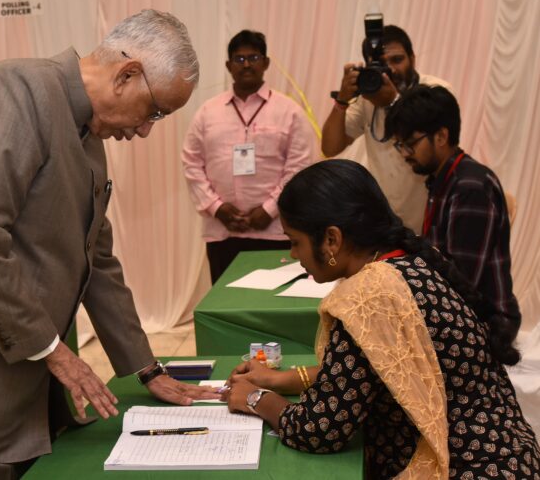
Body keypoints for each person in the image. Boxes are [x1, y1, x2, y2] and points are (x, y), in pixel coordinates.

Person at [0, 9, 218, 479]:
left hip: (16, 372)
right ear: (126, 74)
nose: (146, 129)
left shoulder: (88, 134)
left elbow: (97, 258)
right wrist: (56, 351)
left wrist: (146, 368)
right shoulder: (17, 90)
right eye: (154, 110)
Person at [222, 159, 539, 479]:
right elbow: (369, 370)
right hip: (508, 454)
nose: (293, 255)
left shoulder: (369, 296)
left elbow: (318, 430)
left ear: (331, 239)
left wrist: (254, 399)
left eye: (295, 242)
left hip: (468, 468)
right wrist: (278, 378)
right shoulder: (409, 261)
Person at [385, 84, 521, 344]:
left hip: (487, 323)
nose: (404, 154)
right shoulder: (444, 179)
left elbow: (461, 280)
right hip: (459, 311)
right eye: (400, 145)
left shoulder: (470, 188)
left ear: (441, 136)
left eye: (410, 144)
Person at [181, 30, 315, 282]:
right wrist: (216, 207)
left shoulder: (289, 111)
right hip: (222, 231)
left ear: (265, 63)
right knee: (226, 305)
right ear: (228, 65)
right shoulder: (207, 113)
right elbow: (191, 163)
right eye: (239, 59)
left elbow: (300, 167)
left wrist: (270, 209)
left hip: (275, 230)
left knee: (273, 306)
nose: (246, 64)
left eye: (253, 57)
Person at [321, 25, 452, 232]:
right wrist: (342, 100)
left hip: (430, 216)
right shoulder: (368, 98)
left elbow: (427, 144)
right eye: (382, 63)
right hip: (388, 221)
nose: (391, 69)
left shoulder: (436, 90)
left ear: (413, 58)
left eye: (397, 60)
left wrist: (392, 103)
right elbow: (330, 147)